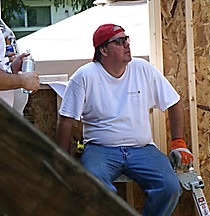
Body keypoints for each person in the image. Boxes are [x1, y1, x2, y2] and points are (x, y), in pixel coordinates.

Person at [55, 23, 193, 216]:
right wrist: (62, 160)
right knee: (95, 188)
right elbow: (67, 120)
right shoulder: (84, 76)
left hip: (142, 149)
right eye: (119, 42)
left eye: (126, 39)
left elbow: (173, 102)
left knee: (170, 188)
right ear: (103, 50)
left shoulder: (143, 69)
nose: (127, 45)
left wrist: (178, 142)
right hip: (100, 150)